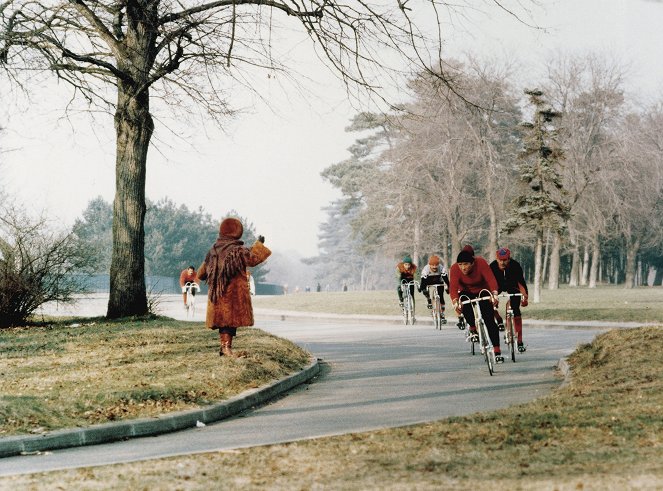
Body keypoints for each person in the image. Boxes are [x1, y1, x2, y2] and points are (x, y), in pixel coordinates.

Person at [197, 218, 271, 358]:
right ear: (237, 232)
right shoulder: (238, 251)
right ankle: (226, 349)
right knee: (229, 322)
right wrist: (259, 244)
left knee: (224, 323)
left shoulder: (213, 251)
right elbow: (253, 259)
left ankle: (224, 347)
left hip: (217, 295)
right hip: (232, 295)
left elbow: (201, 274)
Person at [448, 249, 504, 363]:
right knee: (463, 303)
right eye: (460, 265)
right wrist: (455, 301)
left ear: (472, 263)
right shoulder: (454, 269)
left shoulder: (481, 263)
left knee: (489, 319)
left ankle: (497, 350)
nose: (463, 268)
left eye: (466, 264)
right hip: (466, 292)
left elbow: (491, 279)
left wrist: (494, 294)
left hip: (482, 290)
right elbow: (453, 287)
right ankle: (473, 328)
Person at [490, 247, 529, 352]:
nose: (502, 262)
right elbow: (489, 284)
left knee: (515, 309)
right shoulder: (492, 266)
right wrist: (493, 298)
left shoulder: (515, 265)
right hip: (497, 286)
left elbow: (521, 282)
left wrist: (525, 297)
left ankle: (519, 341)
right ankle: (498, 317)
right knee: (489, 305)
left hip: (512, 286)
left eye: (505, 260)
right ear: (496, 258)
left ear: (509, 259)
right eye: (500, 260)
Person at [419, 255, 450, 320]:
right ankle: (429, 300)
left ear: (438, 265)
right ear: (429, 265)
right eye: (432, 265)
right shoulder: (426, 269)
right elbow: (423, 281)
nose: (434, 267)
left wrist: (449, 286)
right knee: (426, 291)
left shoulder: (441, 268)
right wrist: (423, 288)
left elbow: (446, 279)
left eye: (436, 265)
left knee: (441, 295)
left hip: (438, 281)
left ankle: (442, 312)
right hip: (428, 281)